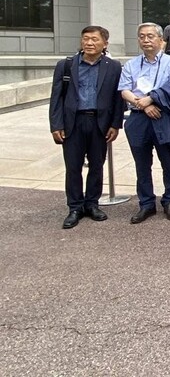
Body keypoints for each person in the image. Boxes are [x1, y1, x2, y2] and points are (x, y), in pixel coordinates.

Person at [49, 26, 124, 229]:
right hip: (73, 122)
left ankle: (92, 204)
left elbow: (119, 99)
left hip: (99, 123)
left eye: (94, 39)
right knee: (73, 167)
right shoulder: (66, 65)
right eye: (85, 39)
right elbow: (56, 97)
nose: (89, 43)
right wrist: (56, 124)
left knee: (97, 166)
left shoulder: (114, 67)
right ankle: (74, 207)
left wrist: (116, 124)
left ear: (105, 44)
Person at [119, 22, 170, 224]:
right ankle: (146, 203)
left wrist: (151, 99)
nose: (146, 40)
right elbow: (124, 90)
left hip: (163, 116)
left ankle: (169, 200)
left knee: (168, 162)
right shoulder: (131, 64)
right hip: (139, 118)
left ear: (160, 39)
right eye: (142, 36)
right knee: (142, 164)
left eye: (150, 36)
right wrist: (143, 105)